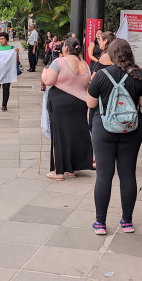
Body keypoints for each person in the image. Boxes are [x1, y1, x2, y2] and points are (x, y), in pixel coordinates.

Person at [85, 39, 142, 235]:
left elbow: (90, 103)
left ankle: (100, 223)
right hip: (131, 130)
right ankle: (127, 222)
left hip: (103, 129)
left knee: (104, 175)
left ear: (111, 55)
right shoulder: (139, 76)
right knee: (128, 174)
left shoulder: (101, 75)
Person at [41, 37, 92, 180]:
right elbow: (88, 83)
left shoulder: (59, 62)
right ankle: (72, 169)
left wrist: (44, 72)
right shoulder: (85, 65)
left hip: (61, 103)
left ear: (65, 48)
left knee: (59, 135)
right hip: (80, 102)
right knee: (75, 135)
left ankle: (58, 171)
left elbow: (49, 80)